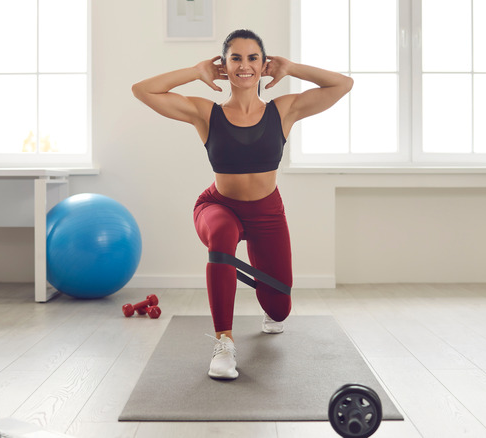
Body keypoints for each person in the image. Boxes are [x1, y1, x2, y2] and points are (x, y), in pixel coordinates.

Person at [132, 29, 352, 380]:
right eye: (235, 58)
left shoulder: (284, 110)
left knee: (280, 310)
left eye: (253, 58)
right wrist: (196, 72)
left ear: (265, 65)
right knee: (221, 236)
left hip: (267, 212)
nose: (244, 65)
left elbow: (342, 84)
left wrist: (291, 67)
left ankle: (271, 305)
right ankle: (223, 343)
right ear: (224, 65)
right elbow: (142, 90)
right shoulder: (207, 113)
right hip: (219, 206)